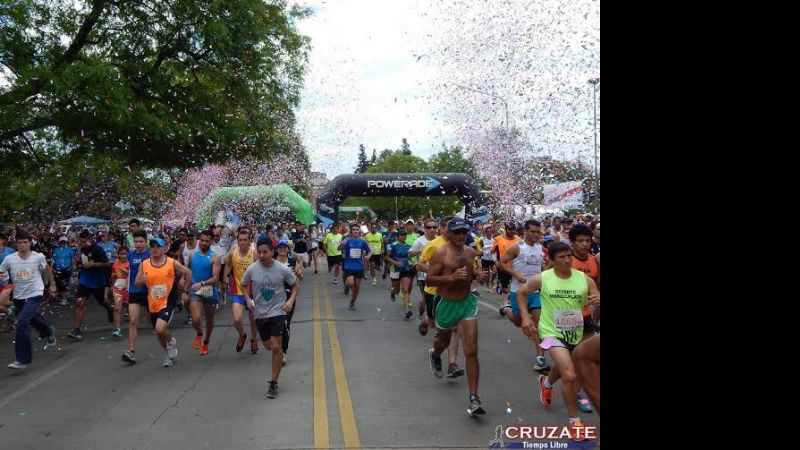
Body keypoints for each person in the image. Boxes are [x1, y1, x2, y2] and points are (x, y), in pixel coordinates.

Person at [516, 241, 600, 441]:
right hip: (549, 333)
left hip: (576, 332)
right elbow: (521, 292)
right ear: (551, 260)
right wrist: (526, 318)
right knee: (570, 375)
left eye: (568, 256)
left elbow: (595, 296)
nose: (567, 260)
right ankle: (575, 423)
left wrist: (597, 299)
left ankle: (546, 382)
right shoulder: (542, 278)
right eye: (561, 257)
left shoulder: (585, 279)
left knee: (565, 366)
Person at [425, 218, 489, 416]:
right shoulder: (441, 253)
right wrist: (451, 278)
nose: (461, 235)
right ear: (449, 234)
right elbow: (429, 278)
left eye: (464, 232)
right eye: (457, 232)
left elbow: (470, 276)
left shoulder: (470, 253)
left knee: (471, 351)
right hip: (446, 304)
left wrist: (478, 276)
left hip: (467, 304)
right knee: (442, 341)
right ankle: (435, 355)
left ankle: (474, 398)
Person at [242, 238, 298, 398]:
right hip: (260, 313)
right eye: (259, 252)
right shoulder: (252, 269)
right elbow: (243, 285)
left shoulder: (282, 269)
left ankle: (273, 382)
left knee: (275, 347)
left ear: (272, 252)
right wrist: (247, 299)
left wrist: (290, 301)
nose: (261, 255)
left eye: (265, 252)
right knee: (268, 346)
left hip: (278, 311)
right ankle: (279, 344)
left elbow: (295, 285)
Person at [0, 230, 57, 369]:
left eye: (25, 242)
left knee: (22, 322)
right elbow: (2, 272)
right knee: (32, 318)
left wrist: (52, 284)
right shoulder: (10, 259)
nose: (23, 245)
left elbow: (47, 270)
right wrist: (2, 277)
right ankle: (48, 330)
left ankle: (22, 359)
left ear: (30, 243)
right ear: (16, 244)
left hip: (35, 293)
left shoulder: (38, 257)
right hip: (19, 295)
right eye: (20, 243)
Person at [134, 238, 192, 368]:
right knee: (160, 332)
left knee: (160, 328)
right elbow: (136, 284)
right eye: (152, 247)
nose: (155, 249)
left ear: (164, 249)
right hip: (153, 302)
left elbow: (188, 272)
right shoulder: (144, 264)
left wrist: (185, 290)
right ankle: (169, 350)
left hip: (168, 301)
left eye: (158, 247)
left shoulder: (172, 263)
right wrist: (140, 281)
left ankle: (170, 345)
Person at [187, 230, 221, 356]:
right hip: (195, 290)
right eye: (202, 240)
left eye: (207, 241)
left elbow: (215, 278)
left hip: (208, 290)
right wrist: (183, 279)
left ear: (211, 241)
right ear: (198, 240)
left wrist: (202, 283)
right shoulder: (192, 255)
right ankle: (199, 334)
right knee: (195, 318)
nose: (204, 243)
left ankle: (206, 341)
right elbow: (188, 269)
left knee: (209, 319)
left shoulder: (214, 258)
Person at [339, 224, 371, 310]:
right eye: (354, 229)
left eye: (357, 229)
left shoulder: (363, 242)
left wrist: (368, 256)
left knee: (357, 288)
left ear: (359, 231)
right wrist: (342, 244)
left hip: (359, 266)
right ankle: (347, 285)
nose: (355, 231)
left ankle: (352, 302)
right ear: (351, 231)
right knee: (351, 283)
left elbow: (369, 251)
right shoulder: (347, 240)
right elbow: (339, 248)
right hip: (349, 265)